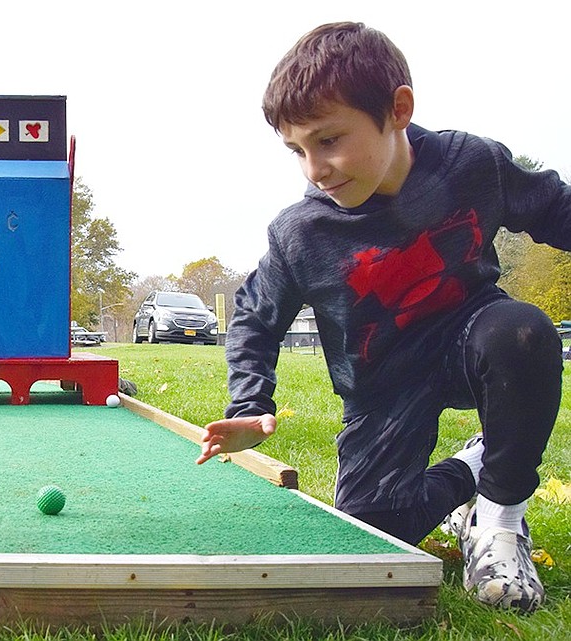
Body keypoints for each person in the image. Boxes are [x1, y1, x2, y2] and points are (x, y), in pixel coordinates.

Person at [196, 22, 569, 615]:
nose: (315, 168)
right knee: (373, 530)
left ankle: (499, 524)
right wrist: (249, 407)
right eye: (297, 150)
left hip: (469, 338)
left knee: (522, 331)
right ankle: (475, 465)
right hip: (384, 385)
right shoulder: (302, 232)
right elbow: (254, 319)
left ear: (398, 109)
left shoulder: (472, 164)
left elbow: (555, 208)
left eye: (329, 140)